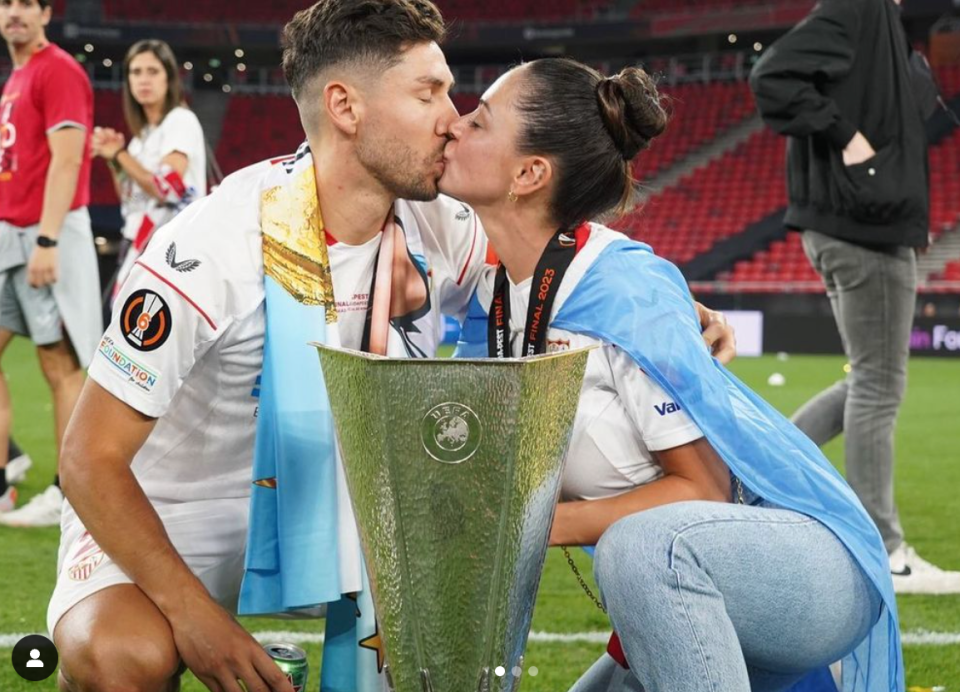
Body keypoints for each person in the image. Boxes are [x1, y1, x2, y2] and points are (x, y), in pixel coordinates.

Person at [49, 3, 736, 691]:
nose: (452, 116)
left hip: (342, 507)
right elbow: (87, 457)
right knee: (122, 658)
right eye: (428, 92)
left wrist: (670, 310)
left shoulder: (440, 222)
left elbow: (560, 267)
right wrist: (193, 614)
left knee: (451, 567)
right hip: (175, 511)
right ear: (346, 107)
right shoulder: (211, 247)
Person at [441, 58, 900, 692]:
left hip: (804, 565)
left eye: (477, 121)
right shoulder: (506, 296)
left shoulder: (621, 290)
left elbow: (704, 490)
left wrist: (537, 522)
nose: (452, 127)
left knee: (640, 547)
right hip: (688, 576)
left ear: (528, 172)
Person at [749, 0, 960, 594]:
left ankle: (765, 475)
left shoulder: (879, 20)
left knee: (870, 380)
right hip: (863, 228)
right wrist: (849, 137)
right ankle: (885, 549)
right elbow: (772, 75)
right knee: (879, 384)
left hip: (862, 225)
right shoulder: (858, 9)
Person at [0, 0, 101, 528]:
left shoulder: (57, 69)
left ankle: (70, 492)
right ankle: (3, 480)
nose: (13, 12)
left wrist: (46, 239)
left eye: (24, 4)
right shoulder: (19, 75)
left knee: (59, 363)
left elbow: (67, 159)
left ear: (45, 12)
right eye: (5, 3)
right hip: (10, 234)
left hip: (43, 234)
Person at [91, 39, 207, 307]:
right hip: (141, 244)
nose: (143, 79)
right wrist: (115, 161)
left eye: (153, 71)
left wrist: (120, 155)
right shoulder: (140, 139)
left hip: (172, 250)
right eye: (136, 72)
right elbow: (130, 199)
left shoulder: (180, 119)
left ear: (169, 78)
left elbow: (167, 188)